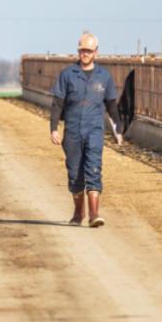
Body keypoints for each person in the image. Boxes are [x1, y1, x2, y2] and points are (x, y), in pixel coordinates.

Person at [49, 32, 124, 227]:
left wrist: (118, 131)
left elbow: (112, 106)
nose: (85, 54)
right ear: (78, 51)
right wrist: (54, 128)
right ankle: (78, 212)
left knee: (93, 167)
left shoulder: (104, 76)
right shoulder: (67, 74)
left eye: (89, 51)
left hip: (94, 128)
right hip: (72, 128)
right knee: (75, 173)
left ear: (96, 52)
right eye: (82, 50)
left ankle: (94, 213)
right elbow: (57, 104)